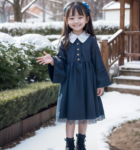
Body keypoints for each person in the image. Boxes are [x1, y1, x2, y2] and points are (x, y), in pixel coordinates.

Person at [37, 1, 111, 150]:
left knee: (84, 116)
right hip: (70, 84)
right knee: (70, 116)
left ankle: (81, 144)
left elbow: (98, 63)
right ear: (66, 20)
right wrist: (52, 61)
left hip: (87, 83)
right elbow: (61, 63)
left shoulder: (91, 41)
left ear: (87, 19)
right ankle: (69, 145)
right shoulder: (64, 41)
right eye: (71, 18)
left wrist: (100, 83)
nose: (76, 21)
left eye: (80, 17)